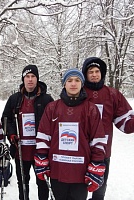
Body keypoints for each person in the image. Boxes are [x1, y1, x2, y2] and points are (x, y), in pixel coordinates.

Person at [35, 68, 107, 200]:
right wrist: (41, 158)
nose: (73, 84)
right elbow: (43, 137)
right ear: (64, 84)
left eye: (77, 80)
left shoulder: (91, 109)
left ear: (82, 83)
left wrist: (96, 164)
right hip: (57, 170)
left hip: (80, 172)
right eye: (69, 80)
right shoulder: (52, 108)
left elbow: (98, 140)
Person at [82, 57, 134, 200]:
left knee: (99, 189)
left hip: (103, 151)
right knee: (79, 189)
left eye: (97, 71)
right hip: (81, 150)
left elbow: (124, 121)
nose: (94, 74)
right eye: (90, 71)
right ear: (85, 74)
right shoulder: (78, 92)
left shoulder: (112, 94)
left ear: (102, 73)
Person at [1, 65, 54, 200]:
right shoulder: (15, 99)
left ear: (37, 79)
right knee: (22, 182)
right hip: (21, 150)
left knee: (42, 182)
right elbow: (6, 119)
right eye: (27, 77)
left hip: (40, 151)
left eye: (33, 77)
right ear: (23, 79)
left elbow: (53, 122)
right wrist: (11, 134)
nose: (30, 80)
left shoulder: (46, 99)